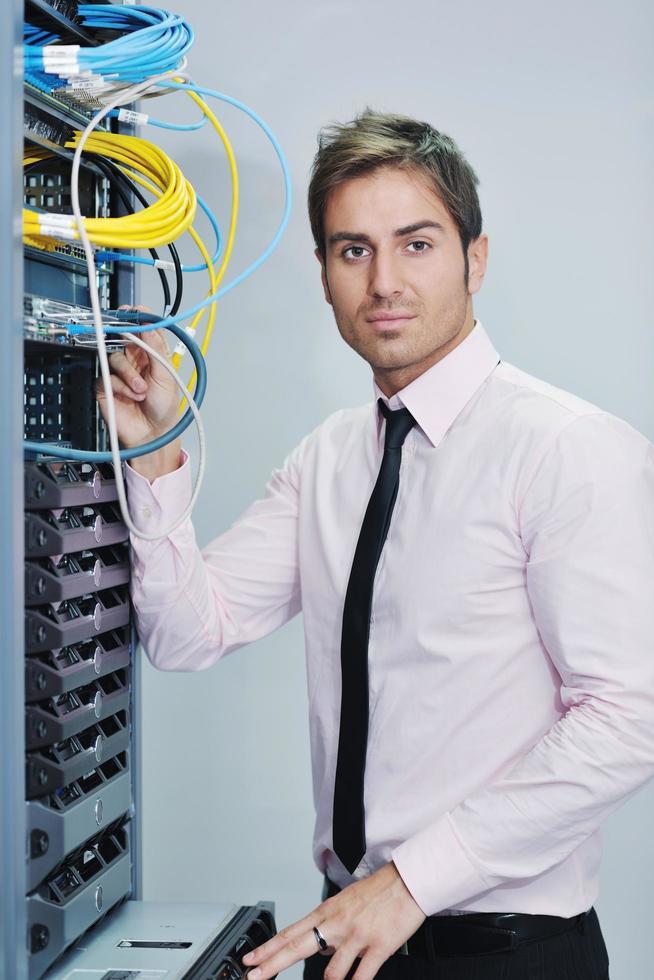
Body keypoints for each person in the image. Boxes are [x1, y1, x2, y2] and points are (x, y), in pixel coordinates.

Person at [97, 111, 654, 980]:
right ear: (323, 275)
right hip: (351, 939)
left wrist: (410, 883)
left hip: (503, 954)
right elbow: (184, 632)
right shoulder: (328, 459)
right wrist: (156, 453)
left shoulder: (568, 450)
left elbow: (631, 717)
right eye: (352, 250)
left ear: (475, 258)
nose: (384, 281)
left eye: (418, 244)